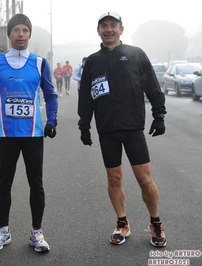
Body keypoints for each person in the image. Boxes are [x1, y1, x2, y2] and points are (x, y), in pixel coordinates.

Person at [77, 11, 167, 247]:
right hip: (107, 130)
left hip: (133, 128)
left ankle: (156, 224)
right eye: (104, 26)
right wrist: (83, 125)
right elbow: (86, 96)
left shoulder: (136, 54)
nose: (109, 29)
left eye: (113, 25)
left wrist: (159, 116)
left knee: (145, 180)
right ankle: (122, 223)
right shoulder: (92, 61)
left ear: (121, 29)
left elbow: (152, 86)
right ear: (98, 30)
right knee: (114, 178)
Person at [0, 13, 58, 253]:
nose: (20, 34)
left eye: (24, 30)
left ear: (29, 34)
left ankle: (36, 233)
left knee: (36, 184)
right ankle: (3, 231)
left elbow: (51, 95)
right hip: (7, 135)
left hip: (33, 135)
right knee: (4, 183)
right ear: (9, 34)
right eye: (16, 30)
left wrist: (51, 121)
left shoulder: (40, 63)